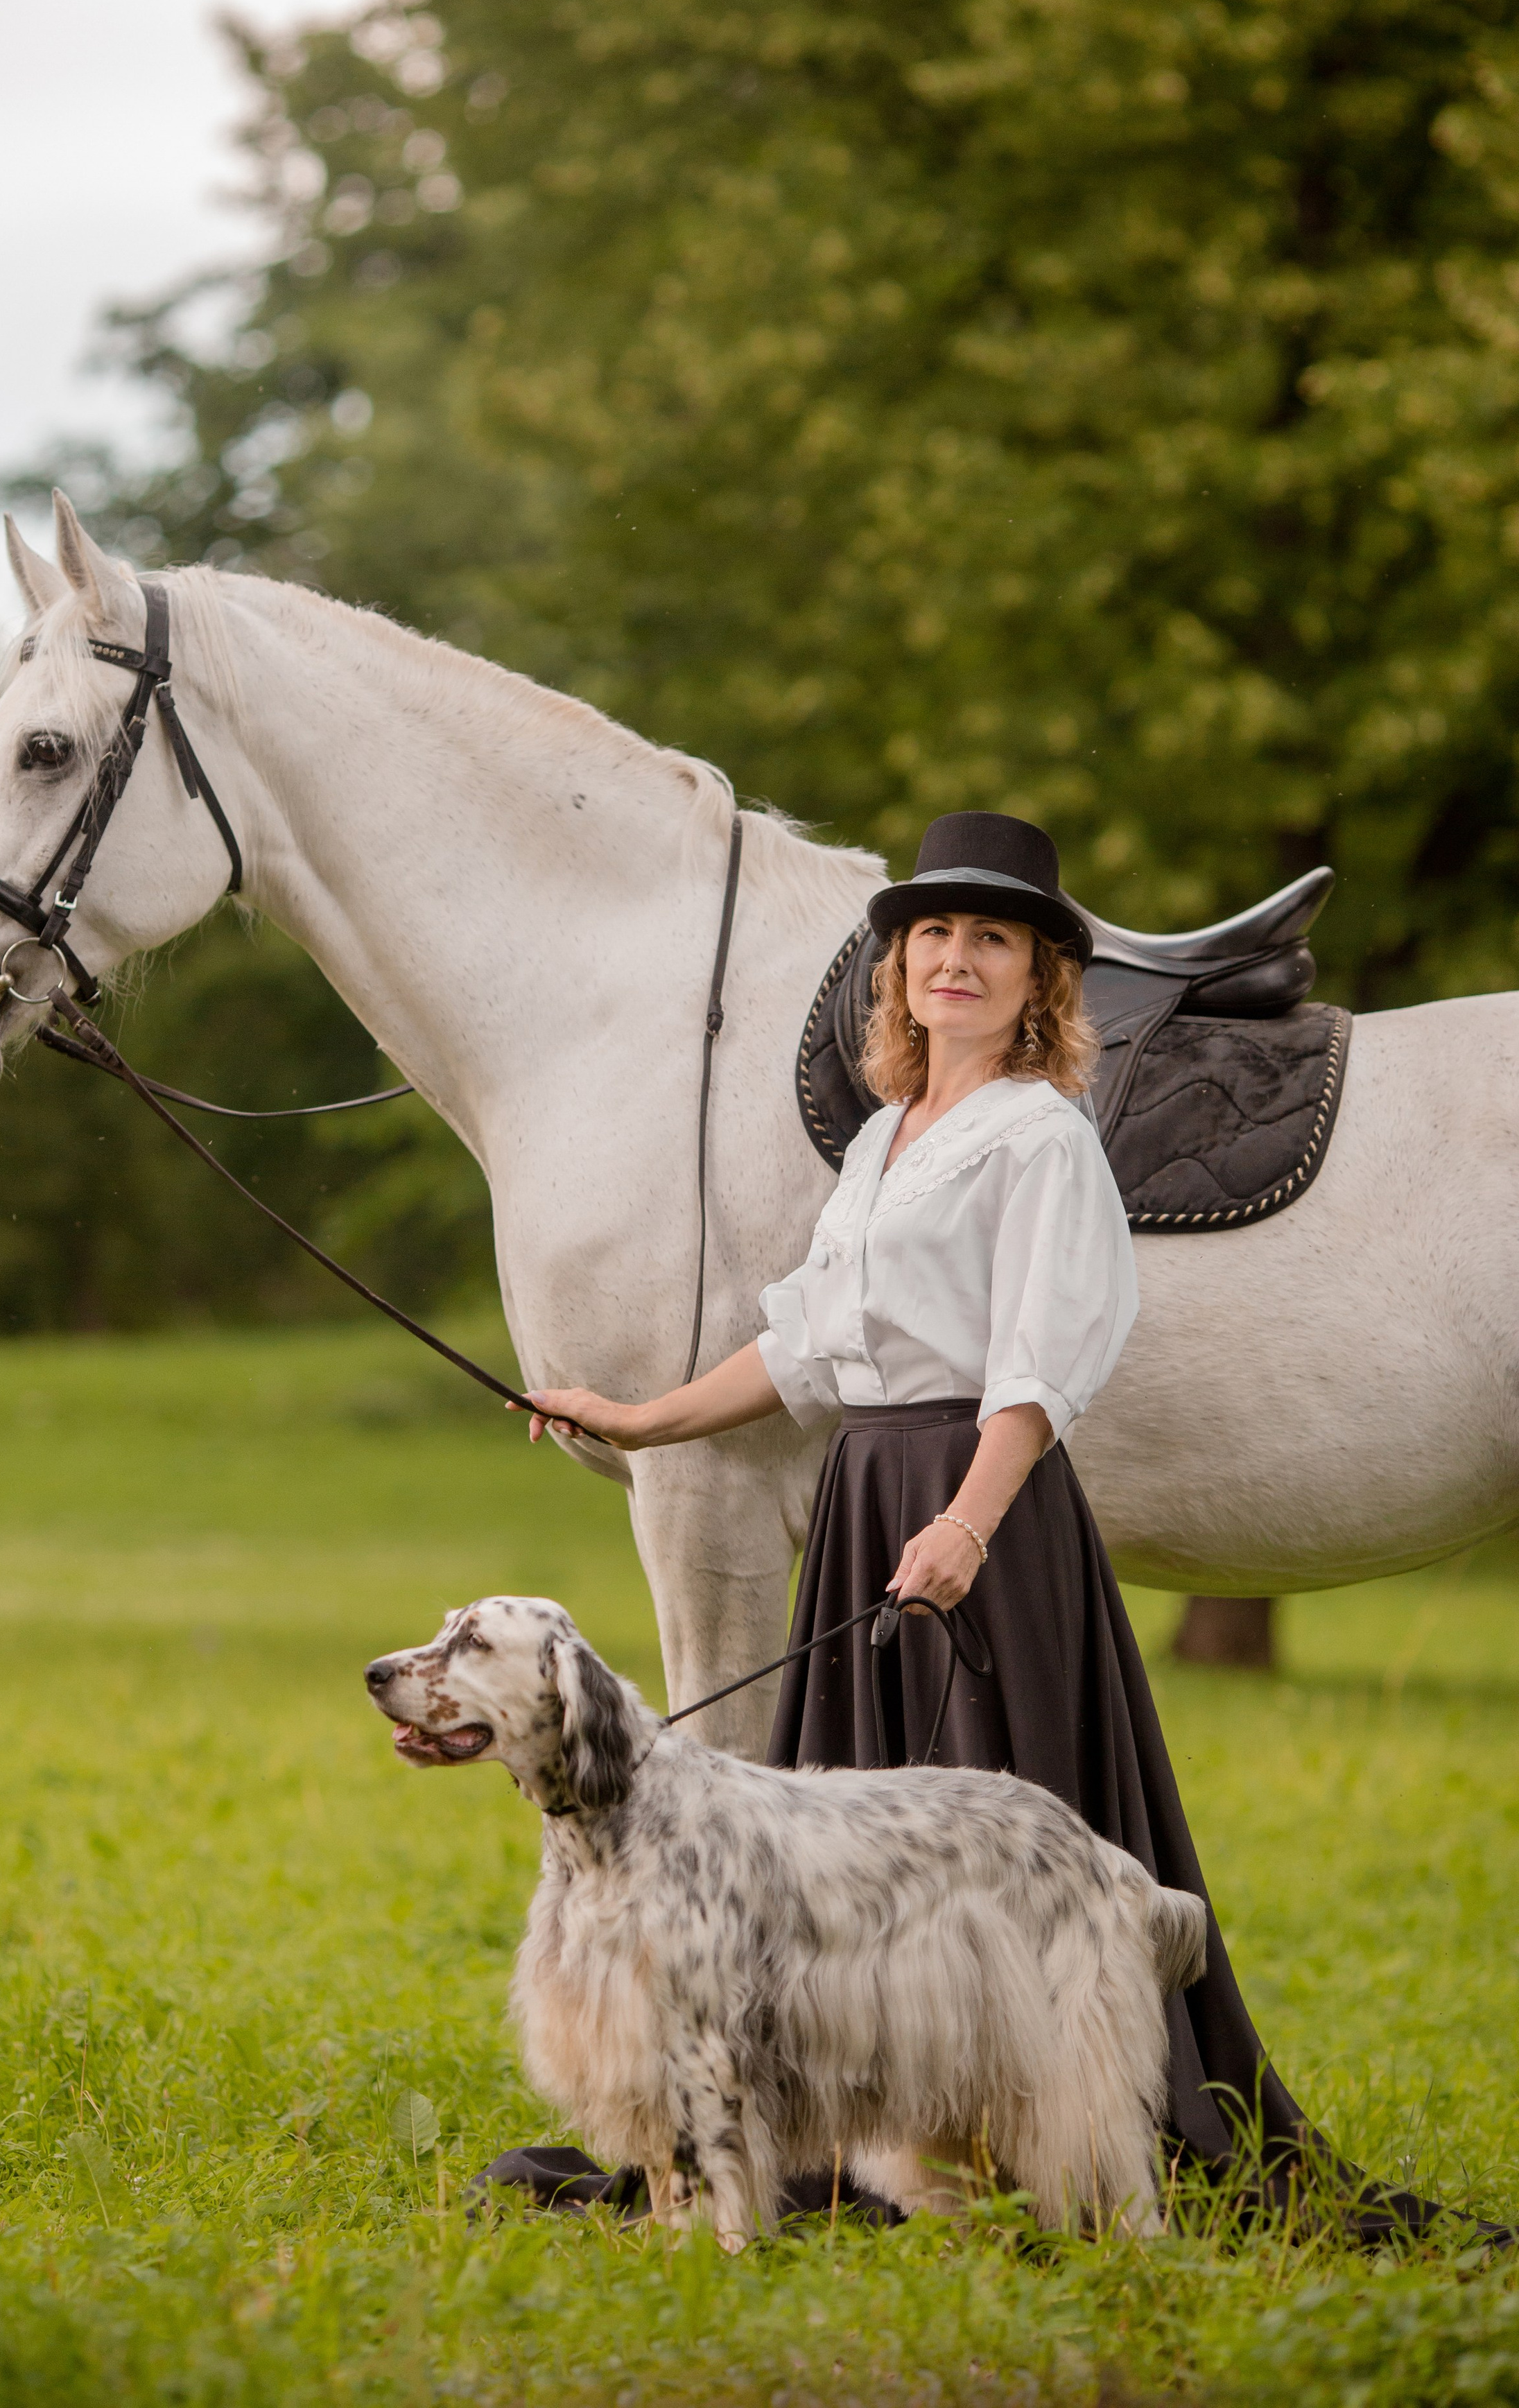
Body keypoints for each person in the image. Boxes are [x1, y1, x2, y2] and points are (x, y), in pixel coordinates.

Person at [524, 809, 1440, 2235]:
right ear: (893, 971)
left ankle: (1076, 2124)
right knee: (857, 1863)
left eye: (990, 939)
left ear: (1038, 981)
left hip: (975, 1511)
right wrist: (640, 1418)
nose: (954, 958)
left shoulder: (1037, 1137)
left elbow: (1035, 1360)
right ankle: (886, 2139)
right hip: (866, 1491)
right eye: (931, 935)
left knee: (995, 1847)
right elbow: (808, 1348)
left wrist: (963, 1524)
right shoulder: (886, 1138)